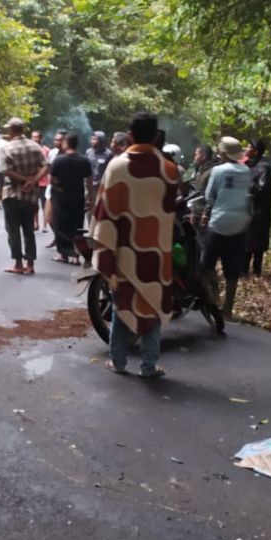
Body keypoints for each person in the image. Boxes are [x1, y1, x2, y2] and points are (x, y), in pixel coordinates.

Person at [92, 111, 179, 378]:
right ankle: (149, 365)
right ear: (155, 136)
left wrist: (106, 255)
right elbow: (167, 212)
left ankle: (118, 361)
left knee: (123, 305)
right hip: (156, 253)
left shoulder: (117, 166)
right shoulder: (169, 169)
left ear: (129, 135)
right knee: (152, 304)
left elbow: (105, 213)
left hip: (125, 253)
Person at [201, 137, 251, 322]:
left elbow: (209, 197)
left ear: (222, 154)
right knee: (232, 268)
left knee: (207, 264)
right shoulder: (246, 171)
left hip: (219, 222)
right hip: (240, 224)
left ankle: (213, 299)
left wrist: (206, 214)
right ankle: (228, 309)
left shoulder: (218, 170)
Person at [0, 118, 47, 274]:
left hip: (13, 193)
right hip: (31, 195)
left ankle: (18, 264)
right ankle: (31, 264)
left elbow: (5, 170)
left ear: (12, 130)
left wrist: (23, 179)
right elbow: (47, 166)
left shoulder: (8, 147)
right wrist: (33, 180)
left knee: (13, 229)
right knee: (28, 229)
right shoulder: (36, 146)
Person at [49, 133, 93, 264]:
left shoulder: (58, 160)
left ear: (66, 143)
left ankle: (64, 255)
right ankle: (76, 256)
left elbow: (51, 179)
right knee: (77, 225)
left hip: (61, 196)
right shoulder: (84, 160)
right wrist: (89, 197)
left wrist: (58, 187)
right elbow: (89, 181)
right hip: (78, 196)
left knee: (61, 225)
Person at [244, 138, 271, 276]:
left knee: (256, 241)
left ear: (255, 150)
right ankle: (244, 269)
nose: (245, 148)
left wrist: (246, 185)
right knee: (247, 240)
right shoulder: (251, 164)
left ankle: (256, 270)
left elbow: (261, 188)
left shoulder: (264, 168)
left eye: (248, 146)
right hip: (249, 208)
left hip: (259, 210)